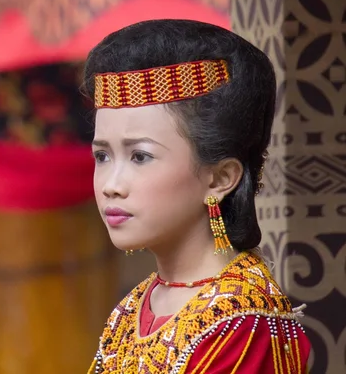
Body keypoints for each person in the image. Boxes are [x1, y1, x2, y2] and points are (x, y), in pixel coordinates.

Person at [83, 19, 311, 373]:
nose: (111, 184)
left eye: (140, 156)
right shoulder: (134, 308)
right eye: (102, 156)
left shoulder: (243, 325)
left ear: (220, 178)